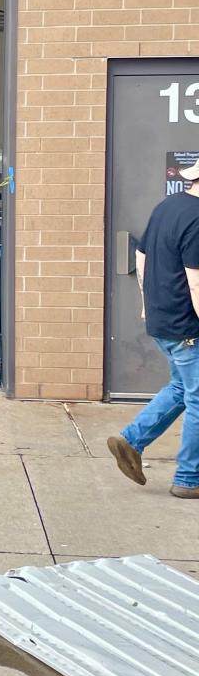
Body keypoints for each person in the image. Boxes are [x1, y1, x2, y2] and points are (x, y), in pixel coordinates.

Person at [108, 160, 199, 498]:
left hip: (164, 321)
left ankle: (131, 440)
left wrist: (147, 303)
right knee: (198, 397)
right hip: (188, 327)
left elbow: (142, 256)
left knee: (181, 388)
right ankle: (190, 479)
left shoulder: (168, 206)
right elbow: (196, 284)